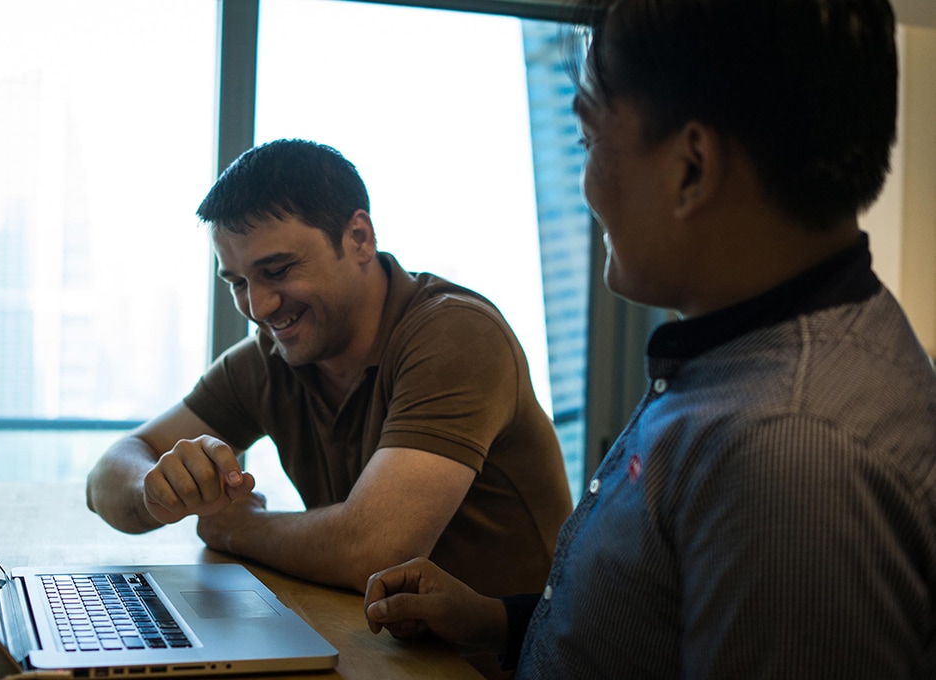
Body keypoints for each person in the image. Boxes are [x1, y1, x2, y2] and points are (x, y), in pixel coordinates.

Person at [364, 0, 936, 676]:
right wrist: (497, 620)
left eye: (589, 141)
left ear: (691, 168)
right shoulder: (745, 350)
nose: (586, 186)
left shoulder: (789, 453)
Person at [86, 138, 573, 595]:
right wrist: (155, 491)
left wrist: (239, 529)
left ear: (359, 238)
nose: (258, 306)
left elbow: (374, 550)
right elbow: (106, 474)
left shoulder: (456, 335)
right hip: (378, 639)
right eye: (237, 282)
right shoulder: (272, 355)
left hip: (507, 651)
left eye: (277, 271)